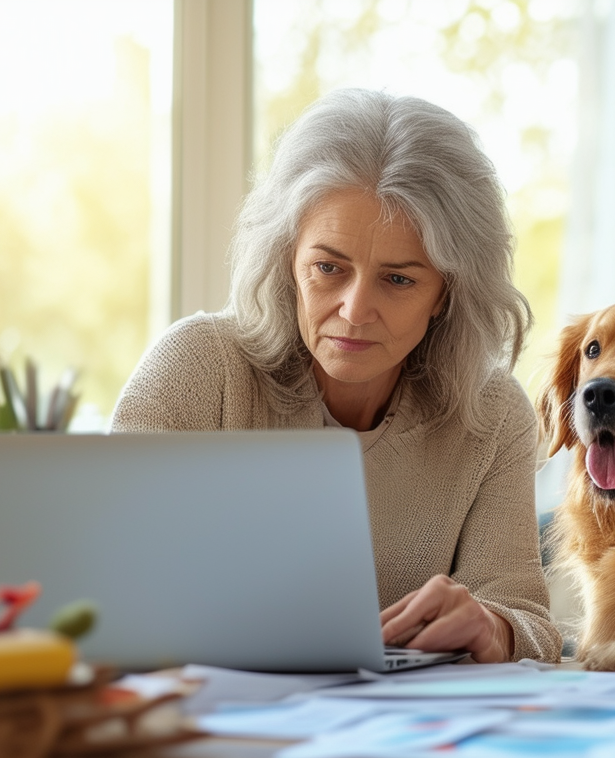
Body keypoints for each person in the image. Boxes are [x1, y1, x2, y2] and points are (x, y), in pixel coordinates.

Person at [111, 89, 560, 664]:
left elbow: (529, 622)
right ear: (287, 259)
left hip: (406, 736)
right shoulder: (197, 369)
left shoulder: (492, 413)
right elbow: (109, 578)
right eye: (328, 268)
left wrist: (493, 626)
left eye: (398, 280)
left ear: (447, 293)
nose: (353, 309)